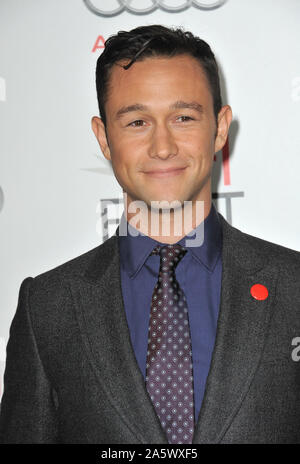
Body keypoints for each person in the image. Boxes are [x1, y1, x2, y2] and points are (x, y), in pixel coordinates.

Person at [0, 25, 299, 445]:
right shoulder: (47, 307)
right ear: (104, 138)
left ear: (219, 128)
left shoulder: (294, 287)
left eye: (183, 118)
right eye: (137, 121)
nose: (162, 146)